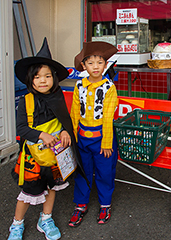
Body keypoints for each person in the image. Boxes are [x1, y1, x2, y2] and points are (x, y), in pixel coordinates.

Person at [9, 38, 86, 240]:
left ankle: (46, 218)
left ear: (54, 78)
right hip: (33, 157)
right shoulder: (26, 101)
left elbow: (64, 121)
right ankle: (17, 224)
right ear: (30, 80)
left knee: (52, 188)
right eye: (37, 76)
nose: (42, 80)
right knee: (28, 193)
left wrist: (65, 131)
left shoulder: (57, 96)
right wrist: (41, 135)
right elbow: (22, 129)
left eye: (47, 76)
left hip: (55, 156)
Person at [68, 41, 118, 227]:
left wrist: (106, 142)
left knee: (105, 172)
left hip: (102, 139)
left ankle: (105, 204)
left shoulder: (109, 88)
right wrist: (73, 138)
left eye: (100, 62)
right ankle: (81, 204)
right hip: (82, 137)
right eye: (91, 63)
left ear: (106, 65)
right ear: (84, 65)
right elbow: (74, 112)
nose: (95, 67)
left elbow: (107, 117)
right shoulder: (79, 85)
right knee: (83, 171)